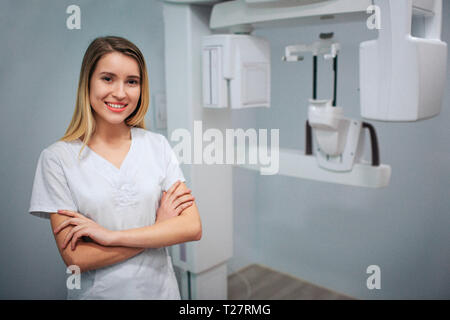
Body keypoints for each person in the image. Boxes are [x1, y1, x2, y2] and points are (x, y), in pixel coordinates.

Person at [28, 36, 202, 299]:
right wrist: (159, 230)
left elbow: (191, 228)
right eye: (108, 78)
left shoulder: (158, 145)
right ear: (87, 82)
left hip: (161, 292)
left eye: (132, 81)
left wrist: (109, 237)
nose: (120, 93)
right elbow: (76, 259)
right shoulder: (57, 159)